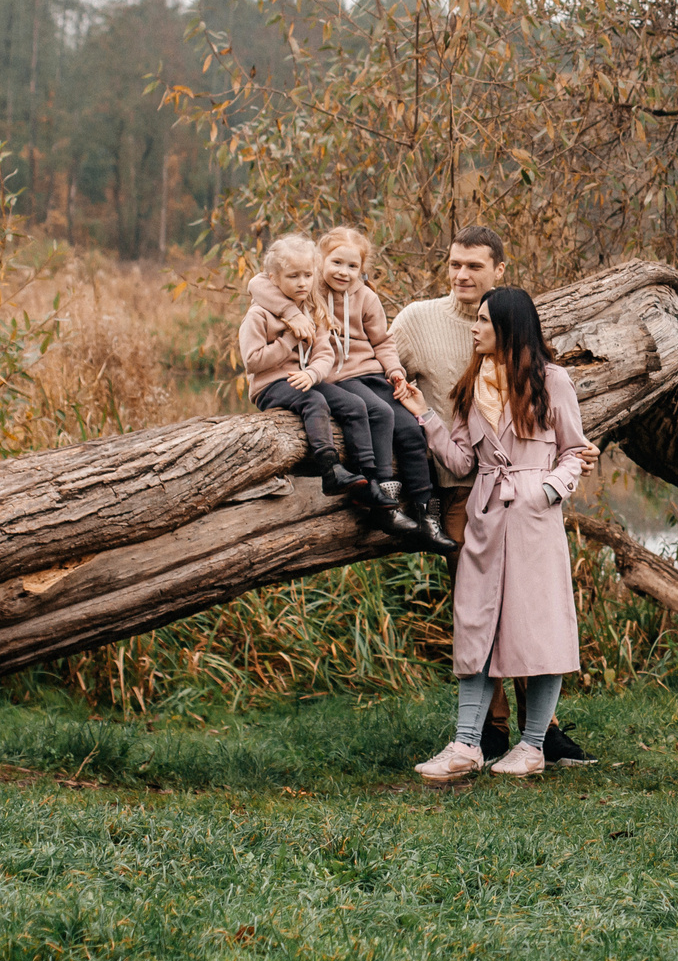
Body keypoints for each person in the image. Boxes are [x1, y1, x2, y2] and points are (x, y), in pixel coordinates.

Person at [391, 226, 598, 765]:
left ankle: (532, 744)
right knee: (476, 619)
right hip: (482, 510)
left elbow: (575, 450)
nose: (474, 330)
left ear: (504, 325)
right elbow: (461, 461)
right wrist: (423, 414)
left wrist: (548, 489)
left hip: (532, 514)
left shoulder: (552, 382)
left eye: (483, 322)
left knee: (540, 623)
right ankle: (468, 743)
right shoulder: (467, 389)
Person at [238, 234, 424, 541]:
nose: (301, 282)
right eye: (293, 276)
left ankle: (369, 482)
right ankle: (330, 469)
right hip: (271, 383)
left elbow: (325, 352)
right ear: (275, 279)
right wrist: (289, 339)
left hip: (307, 378)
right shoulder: (259, 314)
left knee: (355, 406)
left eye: (306, 276)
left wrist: (313, 373)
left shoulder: (314, 307)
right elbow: (253, 361)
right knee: (316, 404)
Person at [310, 226, 453, 553]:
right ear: (320, 260)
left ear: (362, 269)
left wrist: (395, 372)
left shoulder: (366, 297)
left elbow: (383, 342)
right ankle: (384, 504)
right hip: (335, 378)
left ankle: (426, 514)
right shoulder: (308, 290)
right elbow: (267, 282)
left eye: (352, 266)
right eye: (336, 263)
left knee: (411, 431)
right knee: (379, 414)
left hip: (371, 374)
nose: (344, 273)